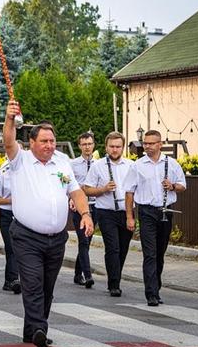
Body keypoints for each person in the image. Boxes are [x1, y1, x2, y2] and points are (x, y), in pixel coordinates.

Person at [3, 100, 93, 347]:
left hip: (56, 238)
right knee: (32, 282)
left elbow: (75, 191)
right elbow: (9, 140)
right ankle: (40, 328)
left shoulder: (63, 162)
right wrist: (9, 118)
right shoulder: (19, 160)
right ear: (32, 143)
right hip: (26, 236)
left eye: (52, 141)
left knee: (47, 285)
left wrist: (85, 214)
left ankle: (31, 328)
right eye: (44, 141)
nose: (49, 145)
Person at [124, 130, 186, 307]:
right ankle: (151, 293)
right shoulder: (137, 165)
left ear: (160, 144)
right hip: (146, 212)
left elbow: (183, 186)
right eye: (145, 143)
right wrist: (130, 217)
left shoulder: (171, 164)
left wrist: (172, 186)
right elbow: (129, 192)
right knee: (149, 254)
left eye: (151, 143)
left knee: (160, 253)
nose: (147, 146)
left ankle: (156, 287)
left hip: (166, 211)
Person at [84, 132, 133, 297]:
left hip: (126, 212)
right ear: (106, 147)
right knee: (113, 248)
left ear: (122, 147)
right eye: (111, 146)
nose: (114, 150)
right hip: (105, 212)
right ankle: (114, 284)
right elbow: (87, 188)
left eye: (118, 146)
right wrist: (103, 189)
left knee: (123, 249)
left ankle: (116, 277)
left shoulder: (131, 165)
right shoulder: (98, 166)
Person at [70, 132, 99, 288]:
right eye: (84, 144)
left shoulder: (99, 164)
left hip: (95, 205)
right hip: (79, 207)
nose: (87, 147)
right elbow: (66, 184)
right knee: (83, 240)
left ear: (93, 145)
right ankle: (87, 275)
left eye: (89, 144)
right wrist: (71, 198)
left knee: (87, 241)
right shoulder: (72, 164)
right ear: (80, 146)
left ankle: (77, 274)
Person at [0, 157, 21, 294]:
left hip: (22, 214)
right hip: (7, 215)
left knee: (19, 248)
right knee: (11, 247)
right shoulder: (3, 176)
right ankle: (13, 279)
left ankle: (11, 280)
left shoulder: (26, 176)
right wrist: (11, 200)